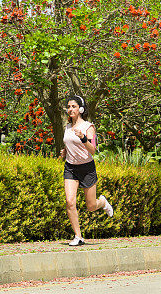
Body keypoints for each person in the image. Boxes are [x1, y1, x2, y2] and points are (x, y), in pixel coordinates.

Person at [59, 94, 113, 246]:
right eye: (68, 106)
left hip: (86, 168)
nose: (70, 109)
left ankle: (102, 202)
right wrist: (65, 152)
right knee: (70, 202)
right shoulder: (68, 127)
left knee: (91, 206)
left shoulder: (88, 127)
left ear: (81, 109)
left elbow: (93, 149)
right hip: (70, 167)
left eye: (73, 106)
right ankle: (78, 236)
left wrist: (83, 138)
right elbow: (69, 143)